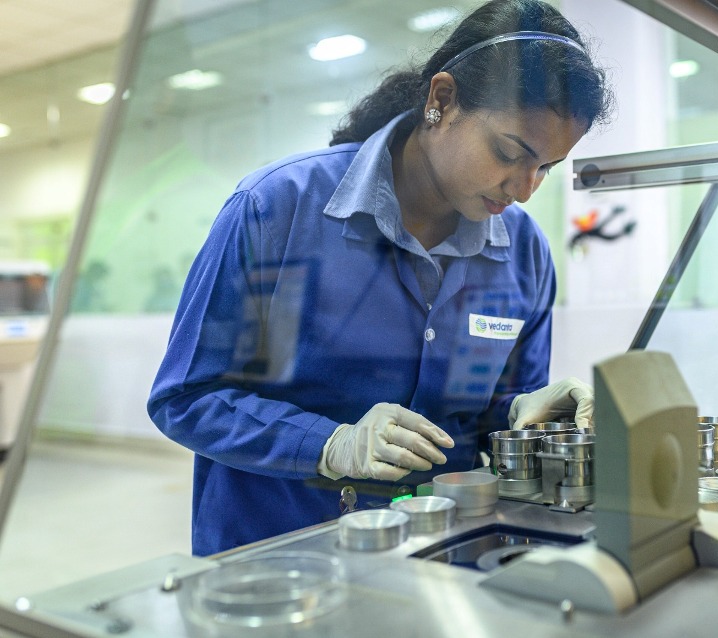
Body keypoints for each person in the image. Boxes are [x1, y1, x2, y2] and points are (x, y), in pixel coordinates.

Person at [148, 0, 612, 556]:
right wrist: (329, 444)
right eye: (510, 153)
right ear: (442, 101)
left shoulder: (523, 254)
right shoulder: (279, 211)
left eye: (546, 168)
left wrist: (527, 417)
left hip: (440, 559)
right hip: (279, 561)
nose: (525, 187)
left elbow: (491, 416)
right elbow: (189, 397)